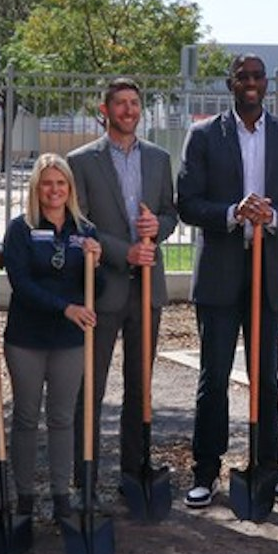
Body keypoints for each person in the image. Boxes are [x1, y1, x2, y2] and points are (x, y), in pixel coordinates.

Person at [176, 52, 278, 509]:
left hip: (267, 273)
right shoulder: (203, 137)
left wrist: (271, 215)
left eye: (257, 77)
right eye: (243, 76)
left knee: (267, 379)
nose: (251, 83)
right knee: (213, 377)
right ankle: (205, 470)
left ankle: (268, 467)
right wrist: (232, 214)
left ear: (266, 85)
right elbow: (187, 203)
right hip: (220, 273)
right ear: (230, 82)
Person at [67, 78, 177, 495]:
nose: (129, 110)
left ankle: (135, 473)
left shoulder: (158, 158)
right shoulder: (82, 161)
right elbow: (81, 223)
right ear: (105, 110)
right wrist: (123, 251)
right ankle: (86, 477)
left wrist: (158, 227)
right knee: (89, 387)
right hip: (102, 286)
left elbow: (170, 212)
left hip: (147, 288)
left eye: (135, 104)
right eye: (121, 104)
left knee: (140, 384)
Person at [2, 153, 102, 519]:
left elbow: (97, 290)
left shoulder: (85, 231)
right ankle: (25, 497)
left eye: (61, 183)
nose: (54, 190)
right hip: (26, 338)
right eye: (47, 183)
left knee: (62, 418)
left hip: (69, 341)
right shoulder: (21, 229)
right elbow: (22, 284)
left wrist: (97, 264)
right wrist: (65, 308)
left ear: (70, 188)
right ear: (36, 188)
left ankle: (62, 497)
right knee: (27, 417)